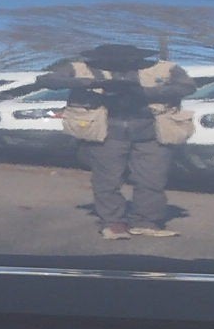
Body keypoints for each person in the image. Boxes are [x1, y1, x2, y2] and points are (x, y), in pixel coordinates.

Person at [40, 42, 194, 239]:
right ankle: (113, 223)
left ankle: (146, 221)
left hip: (152, 132)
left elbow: (187, 86)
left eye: (126, 60)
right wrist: (93, 84)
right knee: (107, 180)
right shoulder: (80, 68)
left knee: (152, 180)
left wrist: (143, 92)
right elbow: (47, 79)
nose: (119, 63)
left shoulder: (164, 68)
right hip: (106, 132)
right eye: (111, 60)